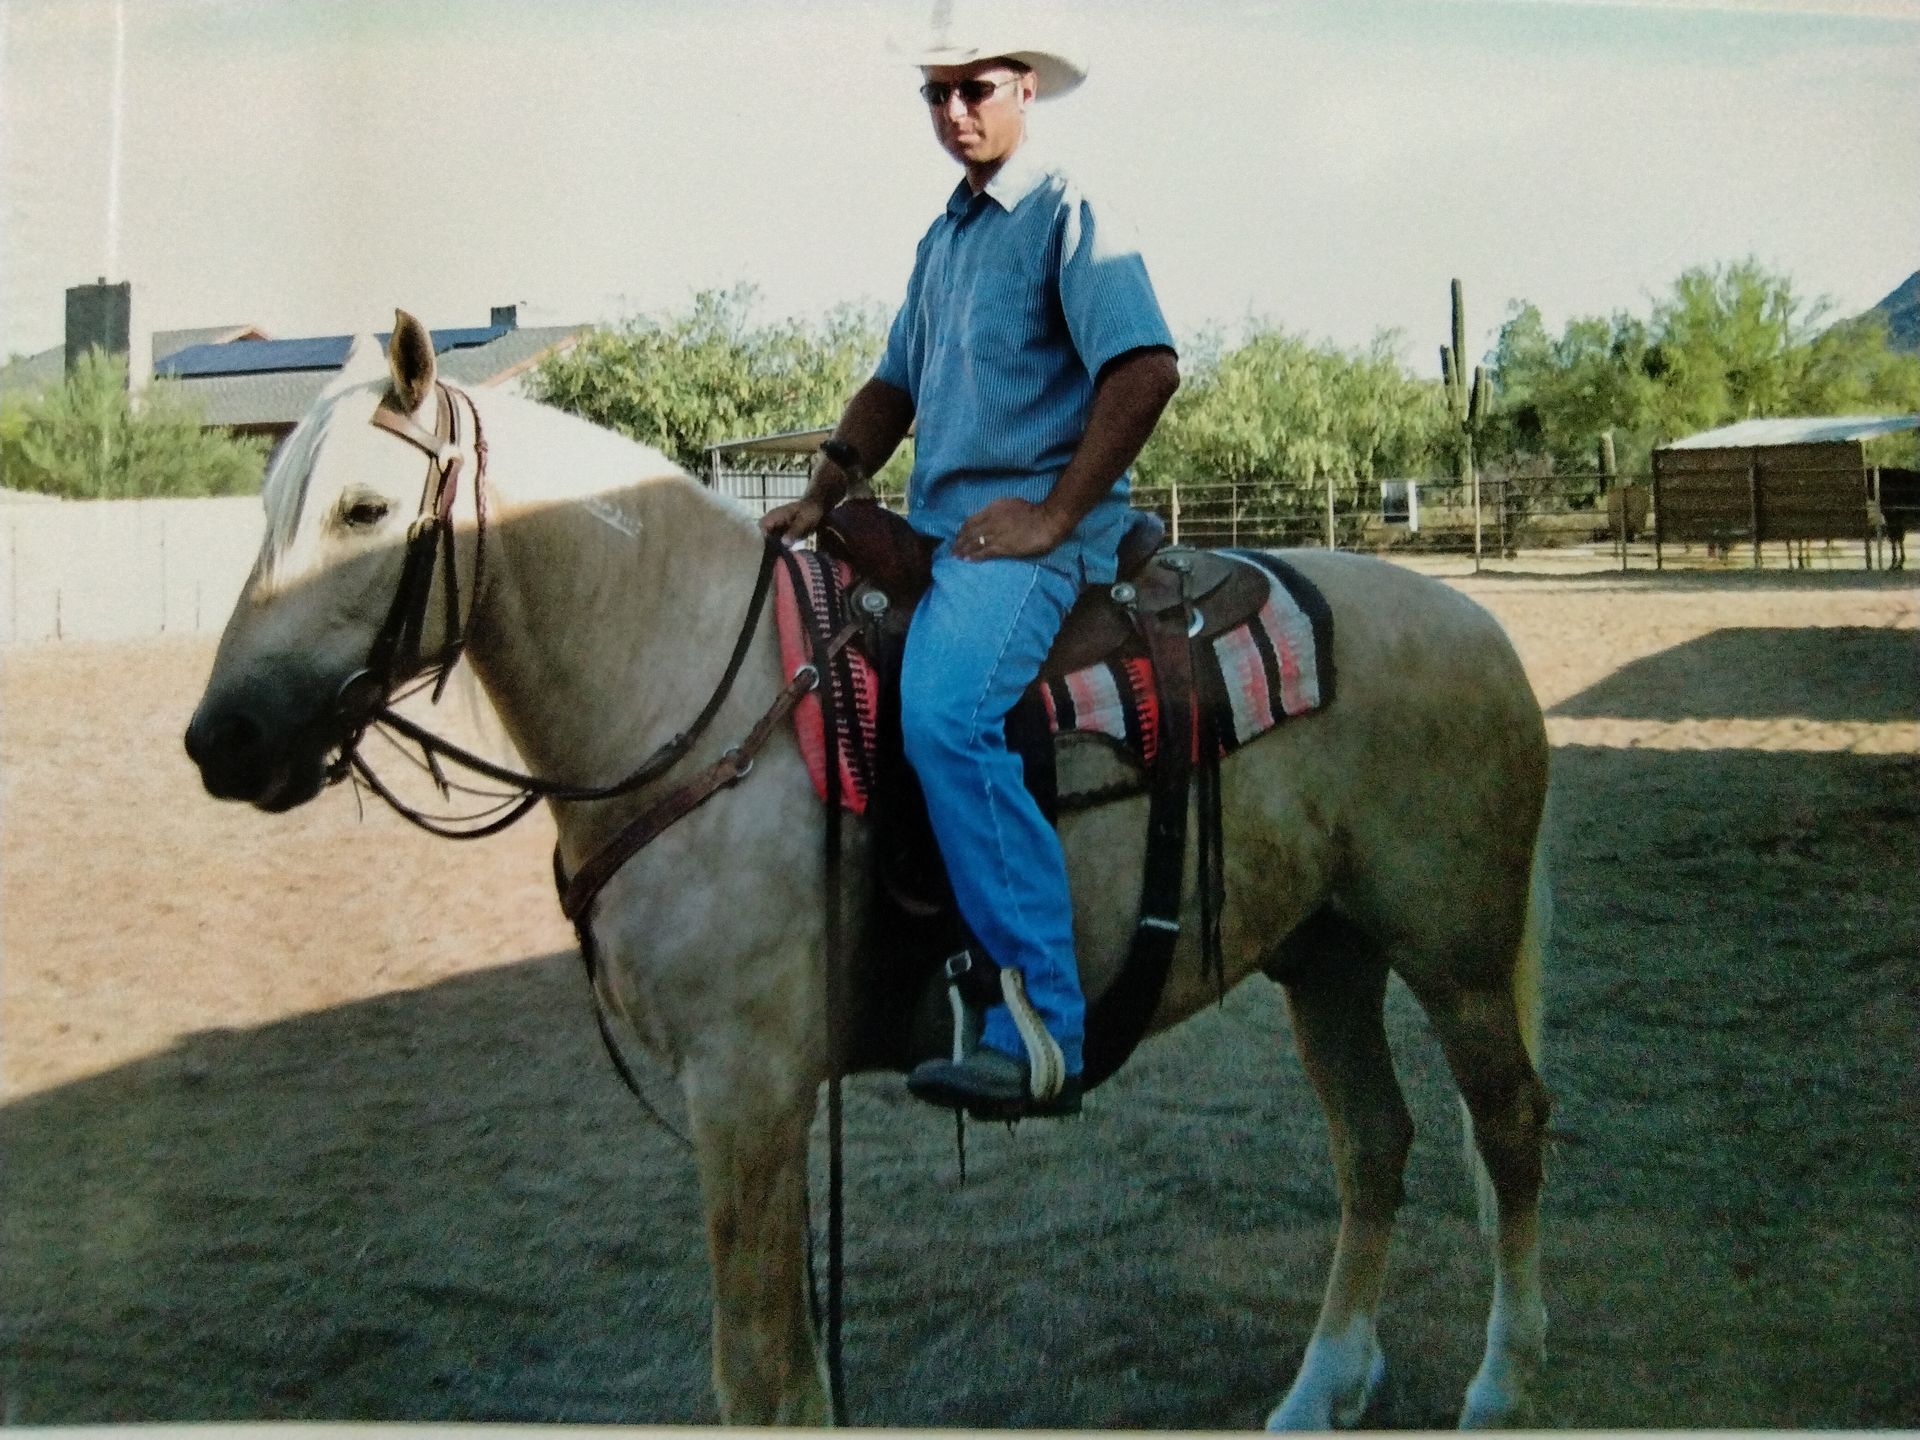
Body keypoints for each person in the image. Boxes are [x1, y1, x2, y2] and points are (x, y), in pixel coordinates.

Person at [761, 8, 1179, 1118]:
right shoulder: (945, 237)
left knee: (945, 712)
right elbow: (894, 384)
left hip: (1026, 543)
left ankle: (1040, 1020)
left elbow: (1143, 369)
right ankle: (907, 967)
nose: (955, 111)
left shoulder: (1066, 210)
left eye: (976, 88)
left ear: (1027, 87)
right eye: (936, 92)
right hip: (942, 537)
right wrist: (829, 484)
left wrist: (1052, 516)